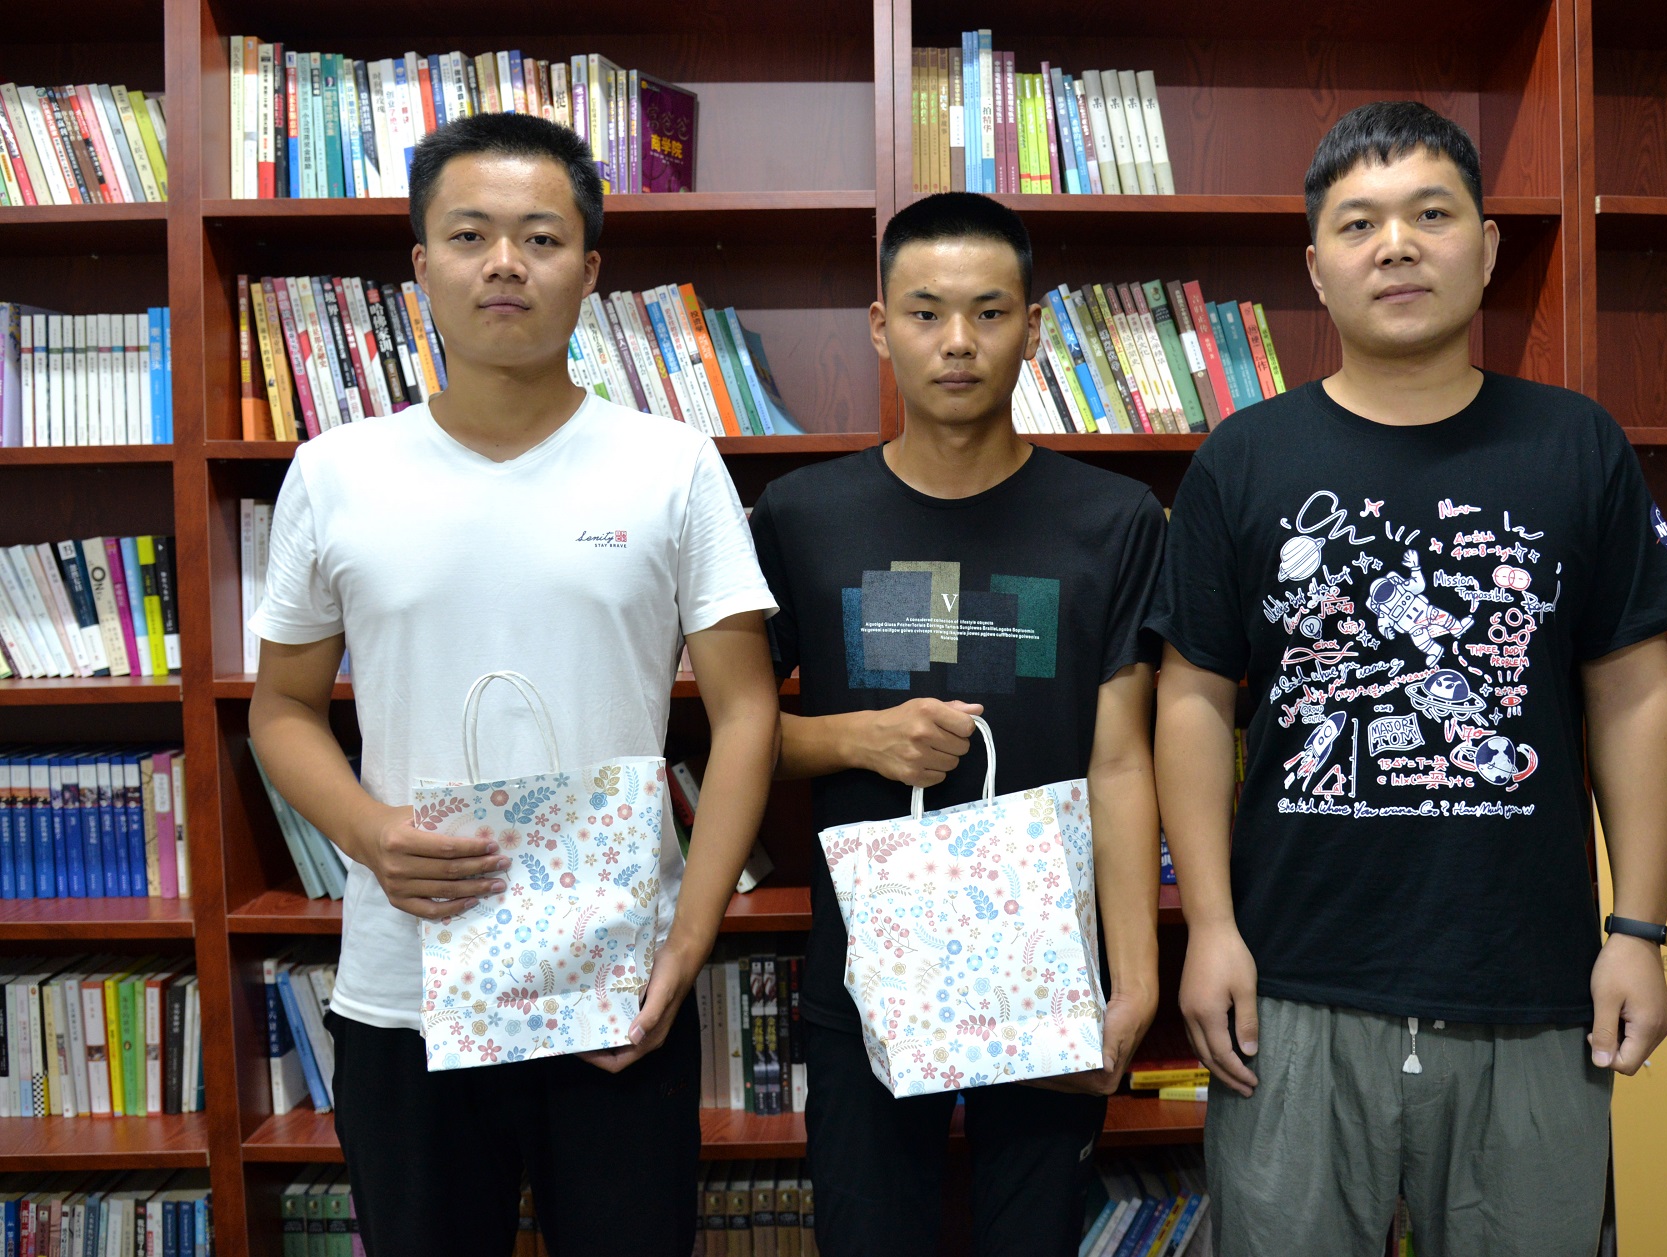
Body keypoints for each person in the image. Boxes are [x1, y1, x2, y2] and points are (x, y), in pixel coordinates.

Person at [1148, 101, 1667, 1256]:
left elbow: (1633, 693)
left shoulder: (1575, 445)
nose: (1394, 246)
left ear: (1487, 247)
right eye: (1357, 224)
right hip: (1290, 984)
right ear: (1316, 268)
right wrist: (1207, 926)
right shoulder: (1241, 459)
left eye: (1430, 215)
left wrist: (1637, 930)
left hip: (1531, 985)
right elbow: (1192, 698)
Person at [246, 113, 779, 1257]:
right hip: (407, 985)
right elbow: (280, 710)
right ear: (420, 266)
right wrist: (369, 833)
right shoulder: (337, 474)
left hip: (617, 983)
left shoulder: (671, 464)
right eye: (468, 235)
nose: (503, 263)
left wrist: (687, 942)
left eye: (540, 238)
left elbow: (746, 712)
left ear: (588, 270)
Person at [750, 191, 1166, 1255]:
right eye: (925, 312)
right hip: (866, 978)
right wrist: (855, 738)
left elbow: (1121, 761)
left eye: (989, 312)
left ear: (1033, 327)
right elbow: (741, 738)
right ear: (879, 327)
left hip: (1042, 973)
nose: (957, 342)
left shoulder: (1115, 519)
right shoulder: (801, 515)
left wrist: (1132, 978)